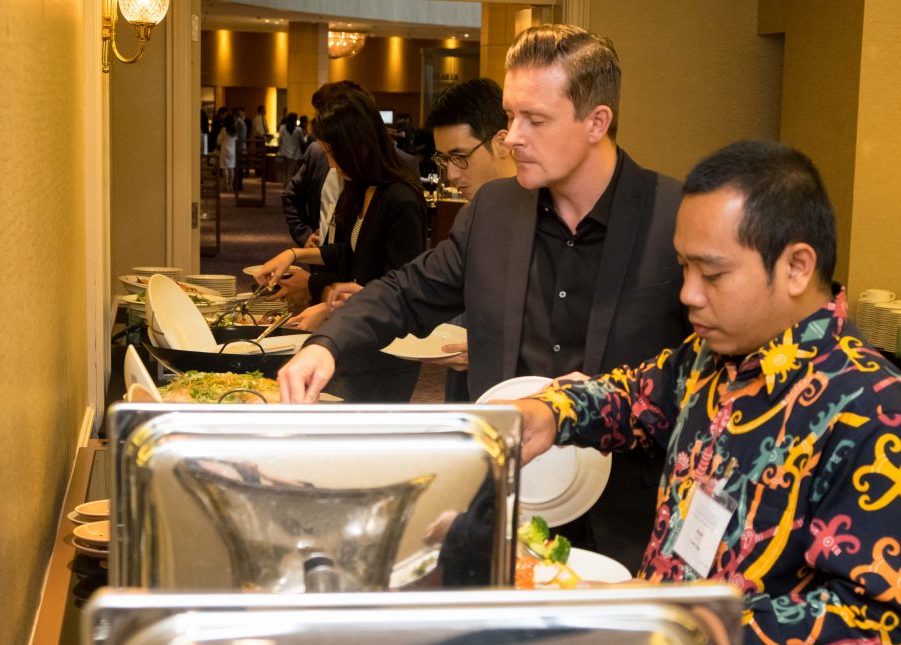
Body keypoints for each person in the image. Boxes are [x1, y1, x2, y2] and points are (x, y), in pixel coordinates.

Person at [507, 139, 901, 645]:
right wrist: (550, 413)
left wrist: (681, 619)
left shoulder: (876, 413)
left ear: (797, 266)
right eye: (684, 268)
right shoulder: (712, 357)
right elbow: (633, 396)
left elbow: (875, 628)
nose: (688, 294)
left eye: (712, 274)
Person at [277, 24, 689, 572]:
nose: (511, 137)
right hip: (509, 505)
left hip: (630, 520)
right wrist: (327, 345)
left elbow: (709, 371)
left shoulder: (675, 216)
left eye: (534, 119)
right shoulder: (494, 211)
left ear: (596, 122)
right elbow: (406, 290)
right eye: (510, 115)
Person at [255, 88, 427, 402]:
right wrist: (294, 253)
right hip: (355, 334)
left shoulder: (401, 199)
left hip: (387, 348)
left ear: (359, 145)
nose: (331, 164)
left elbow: (399, 287)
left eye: (333, 153)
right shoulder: (360, 187)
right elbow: (351, 253)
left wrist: (326, 305)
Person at [422, 77, 517, 401]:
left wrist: (489, 350)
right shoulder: (469, 215)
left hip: (522, 401)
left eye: (460, 156)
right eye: (444, 159)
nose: (451, 174)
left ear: (502, 142)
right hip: (465, 392)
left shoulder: (546, 214)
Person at [276, 112, 305, 187]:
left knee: (284, 171)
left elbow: (279, 140)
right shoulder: (298, 130)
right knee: (290, 172)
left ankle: (284, 186)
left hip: (283, 152)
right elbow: (302, 141)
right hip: (294, 154)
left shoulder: (282, 127)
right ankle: (288, 187)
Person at [215, 114, 237, 192]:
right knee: (231, 168)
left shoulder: (224, 129)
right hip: (232, 151)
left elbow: (219, 140)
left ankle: (226, 186)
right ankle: (231, 185)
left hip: (225, 149)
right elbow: (236, 140)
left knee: (225, 168)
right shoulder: (235, 130)